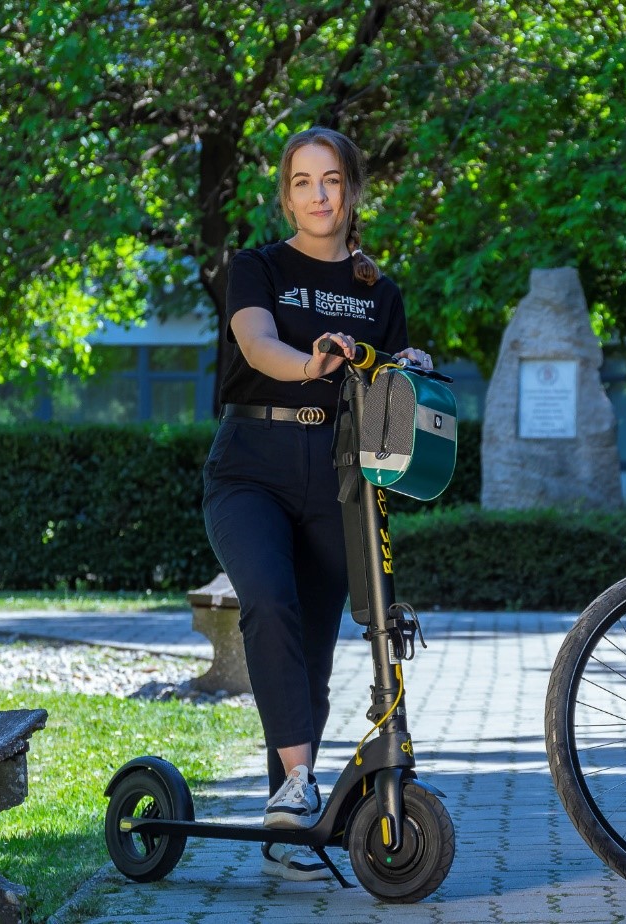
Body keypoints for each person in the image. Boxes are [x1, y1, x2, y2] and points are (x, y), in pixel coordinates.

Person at [202, 127, 433, 881]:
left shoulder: (380, 292)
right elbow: (256, 344)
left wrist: (410, 377)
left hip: (337, 479)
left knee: (322, 654)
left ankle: (284, 810)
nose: (318, 195)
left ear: (353, 190)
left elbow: (390, 423)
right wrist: (311, 364)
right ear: (285, 194)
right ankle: (299, 784)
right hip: (251, 468)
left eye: (330, 180)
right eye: (302, 182)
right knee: (268, 602)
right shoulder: (259, 267)